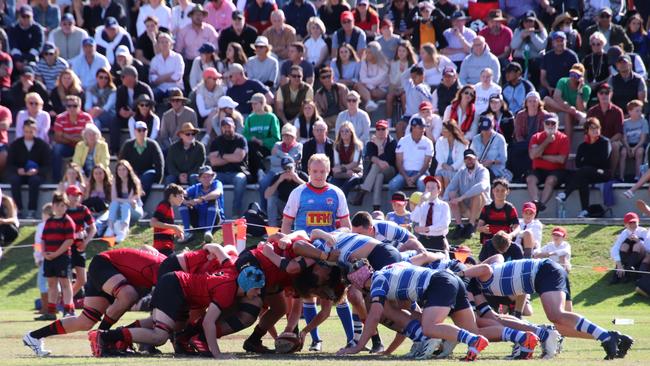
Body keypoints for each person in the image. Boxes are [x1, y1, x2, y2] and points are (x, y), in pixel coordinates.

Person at [462, 235, 633, 361]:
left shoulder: (481, 274)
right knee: (563, 326)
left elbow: (488, 264)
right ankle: (613, 336)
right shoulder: (477, 285)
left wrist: (462, 272)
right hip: (547, 272)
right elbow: (491, 316)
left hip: (544, 272)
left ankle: (606, 337)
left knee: (556, 315)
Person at [23, 246, 167, 357]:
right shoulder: (165, 268)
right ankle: (103, 337)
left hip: (112, 271)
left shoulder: (167, 265)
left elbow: (146, 248)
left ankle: (34, 336)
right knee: (129, 295)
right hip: (105, 265)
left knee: (85, 321)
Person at [341, 260, 492, 361]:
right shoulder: (390, 270)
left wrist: (358, 347)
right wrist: (389, 350)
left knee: (429, 327)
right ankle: (454, 336)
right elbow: (407, 316)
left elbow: (374, 316)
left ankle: (473, 340)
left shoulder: (377, 282)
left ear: (357, 281)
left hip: (439, 282)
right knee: (471, 329)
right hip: (450, 279)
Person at [555, 118, 611, 218]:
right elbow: (577, 163)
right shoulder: (583, 146)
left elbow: (602, 160)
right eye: (592, 128)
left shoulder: (605, 142)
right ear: (587, 131)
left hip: (603, 172)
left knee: (584, 170)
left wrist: (587, 162)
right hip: (588, 173)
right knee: (583, 179)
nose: (595, 130)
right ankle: (585, 210)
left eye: (597, 128)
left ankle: (566, 194)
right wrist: (590, 163)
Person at [36, 192, 75, 320]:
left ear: (66, 206)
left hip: (62, 257)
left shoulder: (68, 221)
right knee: (51, 284)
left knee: (65, 283)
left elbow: (69, 240)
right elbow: (43, 239)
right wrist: (44, 253)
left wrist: (56, 254)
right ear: (53, 206)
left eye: (63, 205)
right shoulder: (49, 222)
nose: (60, 207)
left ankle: (68, 310)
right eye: (57, 205)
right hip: (49, 258)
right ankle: (51, 312)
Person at [7, 119, 51, 219]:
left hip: (36, 175)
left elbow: (47, 165)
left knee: (34, 181)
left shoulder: (42, 145)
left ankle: (32, 210)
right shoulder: (15, 144)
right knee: (14, 180)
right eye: (26, 131)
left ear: (35, 131)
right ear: (23, 130)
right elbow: (10, 164)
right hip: (20, 174)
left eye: (31, 132)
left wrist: (37, 171)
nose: (28, 134)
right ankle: (18, 209)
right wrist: (17, 170)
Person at [444, 148, 491, 240]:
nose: (468, 161)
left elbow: (481, 186)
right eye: (466, 159)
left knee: (477, 194)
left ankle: (471, 225)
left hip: (482, 211)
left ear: (476, 158)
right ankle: (460, 226)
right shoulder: (461, 172)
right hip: (467, 209)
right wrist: (444, 202)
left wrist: (462, 197)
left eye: (471, 158)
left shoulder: (483, 171)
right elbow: (451, 187)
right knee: (452, 194)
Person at [526, 115, 569, 213]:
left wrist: (542, 156)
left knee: (550, 180)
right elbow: (533, 155)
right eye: (548, 123)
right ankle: (535, 202)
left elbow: (561, 159)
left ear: (557, 124)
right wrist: (547, 141)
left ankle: (541, 204)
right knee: (530, 179)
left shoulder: (563, 138)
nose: (550, 125)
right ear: (543, 124)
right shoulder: (536, 137)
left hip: (557, 170)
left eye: (553, 123)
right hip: (538, 169)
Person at [209, 118, 250, 216]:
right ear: (221, 128)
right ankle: (216, 213)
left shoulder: (241, 140)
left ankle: (235, 213)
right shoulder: (216, 141)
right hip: (219, 173)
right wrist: (231, 156)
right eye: (224, 127)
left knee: (241, 179)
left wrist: (222, 155)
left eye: (229, 126)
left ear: (234, 127)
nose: (227, 129)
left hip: (236, 172)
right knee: (209, 180)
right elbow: (214, 161)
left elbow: (239, 157)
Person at [353, 120, 396, 210]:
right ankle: (376, 207)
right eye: (378, 129)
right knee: (378, 175)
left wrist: (380, 148)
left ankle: (363, 191)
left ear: (387, 130)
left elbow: (388, 161)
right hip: (377, 172)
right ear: (375, 131)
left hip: (390, 171)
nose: (380, 131)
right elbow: (371, 157)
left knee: (376, 166)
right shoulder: (370, 143)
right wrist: (379, 161)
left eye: (383, 129)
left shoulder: (392, 143)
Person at [258, 123, 302, 210]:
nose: (287, 138)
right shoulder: (277, 144)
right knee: (263, 183)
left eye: (289, 136)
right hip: (274, 171)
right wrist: (286, 158)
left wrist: (279, 153)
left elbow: (292, 161)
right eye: (285, 136)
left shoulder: (298, 146)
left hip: (290, 172)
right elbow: (273, 161)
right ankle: (263, 210)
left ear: (294, 137)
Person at [542, 63, 590, 144]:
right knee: (546, 99)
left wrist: (579, 91)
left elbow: (581, 109)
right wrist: (568, 109)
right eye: (572, 74)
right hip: (566, 109)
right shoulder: (562, 81)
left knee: (568, 115)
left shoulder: (586, 88)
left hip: (574, 115)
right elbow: (556, 97)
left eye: (576, 75)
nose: (573, 77)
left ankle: (567, 143)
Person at [511, 91, 553, 181]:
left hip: (538, 144)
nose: (532, 103)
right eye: (530, 101)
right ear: (526, 103)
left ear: (539, 102)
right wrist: (526, 144)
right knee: (514, 150)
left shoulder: (546, 116)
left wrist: (533, 145)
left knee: (532, 152)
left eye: (534, 101)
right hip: (524, 143)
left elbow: (544, 134)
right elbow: (518, 134)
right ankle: (517, 176)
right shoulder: (520, 115)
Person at [111, 65, 154, 154]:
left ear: (132, 78)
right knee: (114, 121)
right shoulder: (120, 89)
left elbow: (151, 108)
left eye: (123, 76)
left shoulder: (144, 89)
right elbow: (118, 106)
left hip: (141, 117)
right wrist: (121, 112)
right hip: (126, 117)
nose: (121, 79)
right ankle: (115, 150)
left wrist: (134, 113)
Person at [64, 185, 96, 299]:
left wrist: (85, 242)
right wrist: (75, 235)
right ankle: (66, 301)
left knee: (82, 280)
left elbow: (93, 228)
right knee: (65, 279)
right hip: (65, 248)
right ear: (67, 196)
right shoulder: (63, 210)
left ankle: (66, 300)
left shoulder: (83, 209)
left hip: (79, 247)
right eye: (73, 195)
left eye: (78, 195)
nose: (76, 198)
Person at [118, 121, 164, 200]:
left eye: (144, 130)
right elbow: (122, 162)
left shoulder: (153, 144)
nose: (142, 132)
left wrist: (158, 179)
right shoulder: (128, 145)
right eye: (139, 130)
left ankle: (139, 202)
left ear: (147, 131)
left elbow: (159, 163)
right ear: (135, 131)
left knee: (148, 175)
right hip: (132, 173)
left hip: (148, 173)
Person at [52, 95, 93, 182]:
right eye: (69, 106)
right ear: (65, 107)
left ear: (80, 106)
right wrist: (77, 137)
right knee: (56, 149)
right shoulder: (60, 118)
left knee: (87, 152)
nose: (72, 108)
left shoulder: (86, 117)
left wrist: (66, 136)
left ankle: (89, 180)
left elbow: (89, 137)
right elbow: (57, 138)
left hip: (83, 146)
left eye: (75, 106)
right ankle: (56, 180)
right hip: (66, 147)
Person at [388, 117, 433, 195]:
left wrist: (416, 177)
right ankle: (394, 207)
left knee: (422, 184)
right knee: (392, 185)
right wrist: (406, 177)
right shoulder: (403, 141)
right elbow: (399, 162)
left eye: (423, 127)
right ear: (413, 127)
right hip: (404, 173)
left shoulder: (428, 142)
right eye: (420, 127)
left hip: (421, 173)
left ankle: (422, 207)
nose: (423, 130)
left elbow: (427, 164)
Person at [179, 166, 224, 243]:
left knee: (212, 200)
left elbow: (217, 193)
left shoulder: (217, 183)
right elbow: (184, 193)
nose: (207, 179)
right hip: (198, 222)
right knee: (182, 204)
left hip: (215, 222)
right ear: (199, 179)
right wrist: (183, 198)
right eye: (204, 177)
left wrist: (200, 199)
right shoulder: (196, 187)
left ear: (213, 177)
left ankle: (208, 232)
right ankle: (187, 232)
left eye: (209, 176)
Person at [587, 83, 624, 175]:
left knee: (615, 146)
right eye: (601, 93)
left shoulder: (618, 111)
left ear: (611, 94)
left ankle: (610, 175)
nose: (604, 95)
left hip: (612, 141)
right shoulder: (592, 111)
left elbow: (619, 133)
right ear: (598, 95)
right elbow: (587, 130)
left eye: (607, 93)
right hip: (595, 140)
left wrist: (607, 142)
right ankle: (593, 175)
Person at [104, 160, 143, 242]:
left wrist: (121, 201)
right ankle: (110, 228)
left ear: (128, 170)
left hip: (135, 210)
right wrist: (123, 201)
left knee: (125, 204)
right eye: (119, 169)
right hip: (122, 209)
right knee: (114, 203)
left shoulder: (134, 181)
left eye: (124, 169)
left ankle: (123, 230)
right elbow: (113, 199)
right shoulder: (115, 181)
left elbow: (131, 201)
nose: (121, 172)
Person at [244, 92, 281, 177]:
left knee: (252, 149)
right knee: (250, 146)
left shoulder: (271, 118)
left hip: (266, 148)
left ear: (262, 104)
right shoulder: (250, 118)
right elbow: (245, 135)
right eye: (252, 104)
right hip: (253, 146)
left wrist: (262, 142)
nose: (253, 106)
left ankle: (256, 174)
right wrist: (252, 138)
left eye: (255, 103)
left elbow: (276, 138)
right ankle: (258, 171)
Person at [410, 175, 451, 251]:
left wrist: (427, 229)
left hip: (438, 240)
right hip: (423, 239)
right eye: (427, 187)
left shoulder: (443, 205)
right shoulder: (422, 205)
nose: (430, 190)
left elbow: (444, 224)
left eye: (433, 188)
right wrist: (420, 203)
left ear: (439, 190)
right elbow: (414, 218)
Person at [265, 156, 308, 227]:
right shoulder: (278, 176)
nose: (288, 170)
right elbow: (267, 195)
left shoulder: (302, 175)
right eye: (285, 168)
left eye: (290, 168)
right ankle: (272, 228)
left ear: (294, 166)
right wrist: (279, 181)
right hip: (283, 206)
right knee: (271, 198)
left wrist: (297, 180)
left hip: (298, 207)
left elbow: (312, 190)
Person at [175, 5, 219, 74]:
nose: (198, 17)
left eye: (200, 14)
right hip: (189, 62)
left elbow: (215, 49)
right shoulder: (184, 31)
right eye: (196, 14)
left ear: (203, 16)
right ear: (191, 16)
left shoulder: (210, 30)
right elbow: (178, 50)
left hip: (207, 62)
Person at [476, 178, 520, 246]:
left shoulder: (510, 208)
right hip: (488, 242)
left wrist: (511, 235)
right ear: (493, 191)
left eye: (503, 190)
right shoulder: (486, 208)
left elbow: (517, 227)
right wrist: (482, 229)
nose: (500, 193)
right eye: (497, 190)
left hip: (505, 242)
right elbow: (478, 227)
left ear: (507, 191)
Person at [510, 11, 548, 86]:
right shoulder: (518, 31)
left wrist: (532, 35)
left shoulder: (541, 31)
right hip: (520, 59)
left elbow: (542, 46)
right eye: (526, 21)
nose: (528, 24)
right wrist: (521, 36)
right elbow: (513, 46)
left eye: (531, 21)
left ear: (535, 22)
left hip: (534, 60)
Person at [610, 212, 649, 284]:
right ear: (625, 224)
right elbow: (615, 248)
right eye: (630, 223)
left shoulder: (643, 231)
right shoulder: (624, 233)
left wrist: (638, 240)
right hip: (629, 256)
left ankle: (626, 271)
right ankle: (621, 270)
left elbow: (648, 247)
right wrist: (618, 264)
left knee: (637, 245)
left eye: (634, 222)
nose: (632, 225)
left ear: (638, 222)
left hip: (642, 256)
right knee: (624, 245)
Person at [539, 31, 578, 98]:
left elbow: (577, 75)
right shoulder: (547, 57)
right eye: (557, 41)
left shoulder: (572, 56)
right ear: (553, 43)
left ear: (566, 41)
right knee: (542, 94)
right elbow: (543, 77)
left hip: (567, 88)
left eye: (562, 41)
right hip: (550, 88)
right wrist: (549, 88)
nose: (560, 43)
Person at [471, 115, 510, 180]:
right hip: (479, 170)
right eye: (483, 129)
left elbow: (503, 158)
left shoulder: (499, 139)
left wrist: (492, 162)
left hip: (496, 172)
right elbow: (471, 155)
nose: (486, 132)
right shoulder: (475, 139)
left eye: (488, 129)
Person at [150, 184, 185, 255]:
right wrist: (174, 227)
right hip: (162, 248)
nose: (183, 198)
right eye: (180, 196)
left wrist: (175, 231)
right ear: (172, 196)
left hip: (167, 247)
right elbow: (153, 223)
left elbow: (164, 227)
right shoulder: (164, 205)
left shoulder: (169, 207)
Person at [330, 121, 364, 195]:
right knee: (332, 184)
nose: (344, 133)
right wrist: (345, 171)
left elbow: (355, 164)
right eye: (342, 131)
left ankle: (343, 205)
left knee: (346, 185)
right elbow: (337, 164)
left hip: (355, 173)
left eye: (347, 131)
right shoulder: (336, 146)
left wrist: (342, 169)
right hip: (344, 173)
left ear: (351, 133)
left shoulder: (357, 146)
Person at [149, 32, 185, 100]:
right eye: (162, 42)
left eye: (166, 42)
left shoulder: (178, 57)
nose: (164, 44)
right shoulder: (155, 60)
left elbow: (177, 77)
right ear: (158, 45)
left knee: (173, 94)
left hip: (175, 89)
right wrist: (169, 74)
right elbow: (152, 79)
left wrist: (160, 78)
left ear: (171, 44)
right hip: (160, 89)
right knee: (151, 95)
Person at [435, 122, 468, 194]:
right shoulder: (440, 141)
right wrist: (444, 165)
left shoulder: (461, 143)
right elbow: (439, 156)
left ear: (450, 131)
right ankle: (441, 197)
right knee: (439, 177)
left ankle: (448, 196)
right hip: (443, 168)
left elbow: (460, 160)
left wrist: (451, 168)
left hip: (457, 170)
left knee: (447, 175)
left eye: (444, 129)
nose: (442, 131)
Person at [194, 68, 227, 141]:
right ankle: (208, 136)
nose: (216, 80)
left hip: (222, 116)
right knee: (214, 112)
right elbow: (202, 113)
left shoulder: (222, 88)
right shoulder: (199, 91)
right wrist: (215, 109)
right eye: (214, 79)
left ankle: (207, 137)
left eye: (217, 78)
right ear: (206, 80)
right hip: (205, 120)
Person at [355, 41, 388, 112]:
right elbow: (362, 78)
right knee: (358, 85)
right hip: (369, 88)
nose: (367, 54)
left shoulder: (384, 63)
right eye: (366, 52)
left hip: (381, 88)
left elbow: (378, 80)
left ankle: (369, 101)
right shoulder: (364, 62)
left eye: (369, 52)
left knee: (374, 92)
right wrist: (371, 87)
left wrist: (370, 86)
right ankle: (369, 102)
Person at [620, 100, 648, 181]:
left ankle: (637, 176)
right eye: (637, 111)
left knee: (639, 152)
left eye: (640, 110)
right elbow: (624, 138)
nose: (640, 113)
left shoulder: (644, 122)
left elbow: (643, 139)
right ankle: (621, 176)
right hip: (628, 144)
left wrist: (634, 148)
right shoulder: (625, 123)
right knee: (623, 153)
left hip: (638, 144)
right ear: (630, 111)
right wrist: (628, 148)